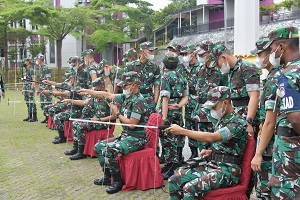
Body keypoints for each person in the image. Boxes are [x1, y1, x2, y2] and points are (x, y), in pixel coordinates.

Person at [166, 86, 247, 199]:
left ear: (225, 102)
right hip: (213, 165)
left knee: (190, 187)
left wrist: (182, 131)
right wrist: (211, 151)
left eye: (214, 106)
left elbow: (212, 138)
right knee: (173, 180)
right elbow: (227, 145)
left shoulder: (238, 123)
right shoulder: (222, 121)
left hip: (228, 171)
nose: (212, 110)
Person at [81, 71, 147, 194]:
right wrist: (88, 91)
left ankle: (118, 181)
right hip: (126, 136)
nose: (122, 88)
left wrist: (117, 113)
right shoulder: (126, 97)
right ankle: (107, 178)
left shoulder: (139, 101)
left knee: (108, 150)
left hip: (137, 138)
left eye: (125, 86)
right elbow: (107, 95)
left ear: (133, 85)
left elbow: (132, 124)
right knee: (99, 146)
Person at [210, 45, 260, 197]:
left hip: (246, 120)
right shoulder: (230, 72)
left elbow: (254, 96)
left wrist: (249, 122)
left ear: (223, 57)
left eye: (217, 62)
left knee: (249, 159)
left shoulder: (247, 68)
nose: (218, 67)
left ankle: (246, 193)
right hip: (234, 121)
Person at [262, 26, 300, 200]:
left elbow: (296, 119)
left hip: (291, 153)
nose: (271, 54)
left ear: (282, 47)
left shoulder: (288, 74)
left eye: (271, 49)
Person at [250, 37, 280, 199]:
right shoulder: (276, 76)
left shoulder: (274, 80)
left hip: (270, 146)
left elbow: (269, 122)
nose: (258, 59)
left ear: (271, 54)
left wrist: (259, 153)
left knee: (265, 190)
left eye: (260, 54)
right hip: (275, 143)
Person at [63, 77, 113, 160]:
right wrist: (70, 100)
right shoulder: (95, 97)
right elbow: (84, 102)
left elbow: (114, 116)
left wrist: (100, 120)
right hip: (95, 120)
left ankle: (81, 152)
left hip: (103, 122)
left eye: (96, 88)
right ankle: (76, 148)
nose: (94, 90)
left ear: (102, 87)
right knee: (75, 123)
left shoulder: (107, 98)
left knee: (80, 126)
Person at [192, 41, 227, 152]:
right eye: (198, 55)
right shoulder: (199, 70)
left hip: (214, 114)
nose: (200, 57)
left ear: (210, 53)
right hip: (200, 113)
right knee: (201, 146)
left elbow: (226, 92)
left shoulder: (220, 71)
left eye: (202, 55)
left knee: (214, 146)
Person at [158, 52, 189, 180]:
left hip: (168, 111)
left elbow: (165, 98)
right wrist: (179, 105)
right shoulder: (182, 77)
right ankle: (176, 161)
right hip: (176, 110)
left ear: (165, 64)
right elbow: (186, 96)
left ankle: (171, 166)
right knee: (178, 136)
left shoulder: (165, 77)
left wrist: (164, 118)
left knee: (167, 138)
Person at [124, 42, 160, 117]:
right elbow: (125, 84)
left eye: (153, 51)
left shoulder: (155, 67)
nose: (152, 53)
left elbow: (157, 85)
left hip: (149, 101)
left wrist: (155, 102)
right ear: (143, 51)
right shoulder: (130, 66)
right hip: (134, 101)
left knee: (149, 126)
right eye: (150, 51)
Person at [180, 44, 202, 161]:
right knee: (189, 128)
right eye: (183, 54)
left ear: (193, 54)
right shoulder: (186, 68)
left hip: (198, 104)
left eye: (186, 54)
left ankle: (202, 153)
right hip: (189, 104)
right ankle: (193, 153)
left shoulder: (200, 68)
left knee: (200, 128)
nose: (184, 56)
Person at [36, 54, 52, 123]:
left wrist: (45, 89)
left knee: (47, 104)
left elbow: (48, 80)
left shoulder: (46, 68)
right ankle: (46, 117)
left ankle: (50, 119)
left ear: (40, 60)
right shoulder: (40, 68)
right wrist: (38, 89)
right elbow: (41, 80)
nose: (37, 60)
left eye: (38, 59)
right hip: (42, 89)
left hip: (46, 89)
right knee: (42, 104)